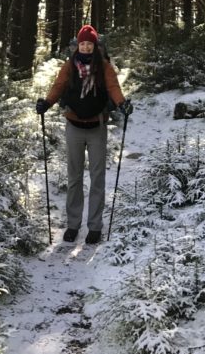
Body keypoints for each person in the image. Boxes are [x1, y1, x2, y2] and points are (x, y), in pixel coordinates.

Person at [36, 24, 133, 244]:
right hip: (74, 127)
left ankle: (95, 227)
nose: (86, 47)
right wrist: (47, 103)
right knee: (74, 178)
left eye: (90, 44)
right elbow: (58, 87)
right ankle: (72, 225)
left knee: (97, 178)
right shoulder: (70, 66)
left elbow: (113, 88)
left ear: (95, 45)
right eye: (83, 43)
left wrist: (122, 104)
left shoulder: (104, 67)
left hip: (97, 128)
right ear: (77, 46)